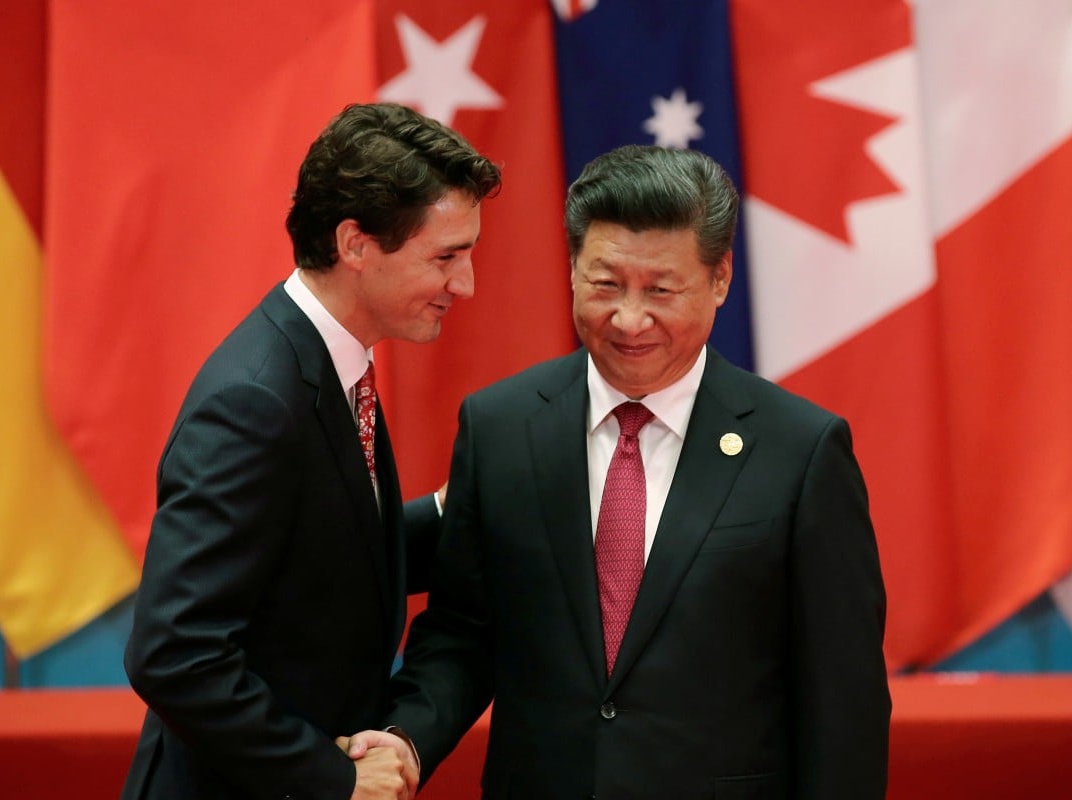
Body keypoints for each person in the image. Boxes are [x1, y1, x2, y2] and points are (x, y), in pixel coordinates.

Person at [351, 144, 890, 798]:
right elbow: (463, 636)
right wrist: (405, 740)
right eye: (605, 284)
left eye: (661, 290)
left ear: (719, 279)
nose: (630, 320)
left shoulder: (801, 451)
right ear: (573, 269)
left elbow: (843, 702)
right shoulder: (501, 428)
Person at [120, 102, 501, 800]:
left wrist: (456, 512)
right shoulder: (256, 401)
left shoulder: (329, 362)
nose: (465, 284)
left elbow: (323, 561)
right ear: (354, 243)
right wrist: (330, 776)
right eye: (445, 257)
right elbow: (175, 652)